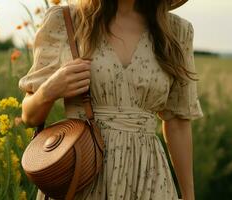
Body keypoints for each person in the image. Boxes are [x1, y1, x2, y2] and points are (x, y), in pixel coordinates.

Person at [18, 0, 204, 199]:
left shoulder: (176, 31)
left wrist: (188, 195)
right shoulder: (65, 21)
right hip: (84, 169)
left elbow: (177, 123)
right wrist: (49, 90)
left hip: (148, 176)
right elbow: (29, 117)